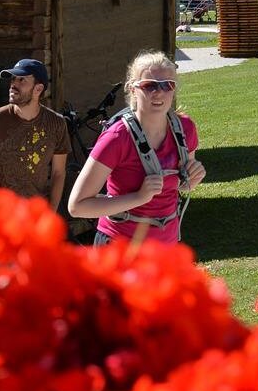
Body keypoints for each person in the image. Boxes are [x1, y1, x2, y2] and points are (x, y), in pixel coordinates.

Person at [69, 51, 204, 246]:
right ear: (133, 89)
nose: (159, 92)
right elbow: (77, 206)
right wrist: (139, 197)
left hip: (166, 247)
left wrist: (192, 180)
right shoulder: (117, 138)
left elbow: (179, 185)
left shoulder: (184, 130)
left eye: (167, 85)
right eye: (149, 85)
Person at [0, 59, 71, 211]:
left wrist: (51, 211)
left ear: (38, 89)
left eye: (21, 80)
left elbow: (58, 173)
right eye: (13, 79)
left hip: (36, 213)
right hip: (0, 212)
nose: (13, 84)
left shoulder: (56, 123)